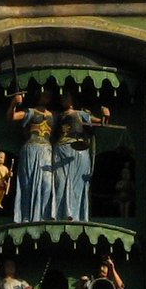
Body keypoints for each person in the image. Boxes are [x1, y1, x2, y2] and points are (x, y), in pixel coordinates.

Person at [52, 90, 109, 222]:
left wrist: (105, 115)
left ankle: (75, 215)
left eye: (67, 96)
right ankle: (59, 214)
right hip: (60, 151)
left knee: (76, 183)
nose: (64, 98)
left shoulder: (81, 113)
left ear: (73, 99)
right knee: (59, 182)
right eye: (62, 96)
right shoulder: (58, 116)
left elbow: (100, 123)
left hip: (76, 151)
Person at [10, 88, 58, 223]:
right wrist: (14, 103)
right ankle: (26, 216)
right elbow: (12, 117)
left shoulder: (54, 115)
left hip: (46, 150)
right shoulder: (30, 112)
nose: (47, 96)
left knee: (47, 183)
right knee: (28, 183)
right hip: (31, 149)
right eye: (44, 94)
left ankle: (43, 216)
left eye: (49, 94)